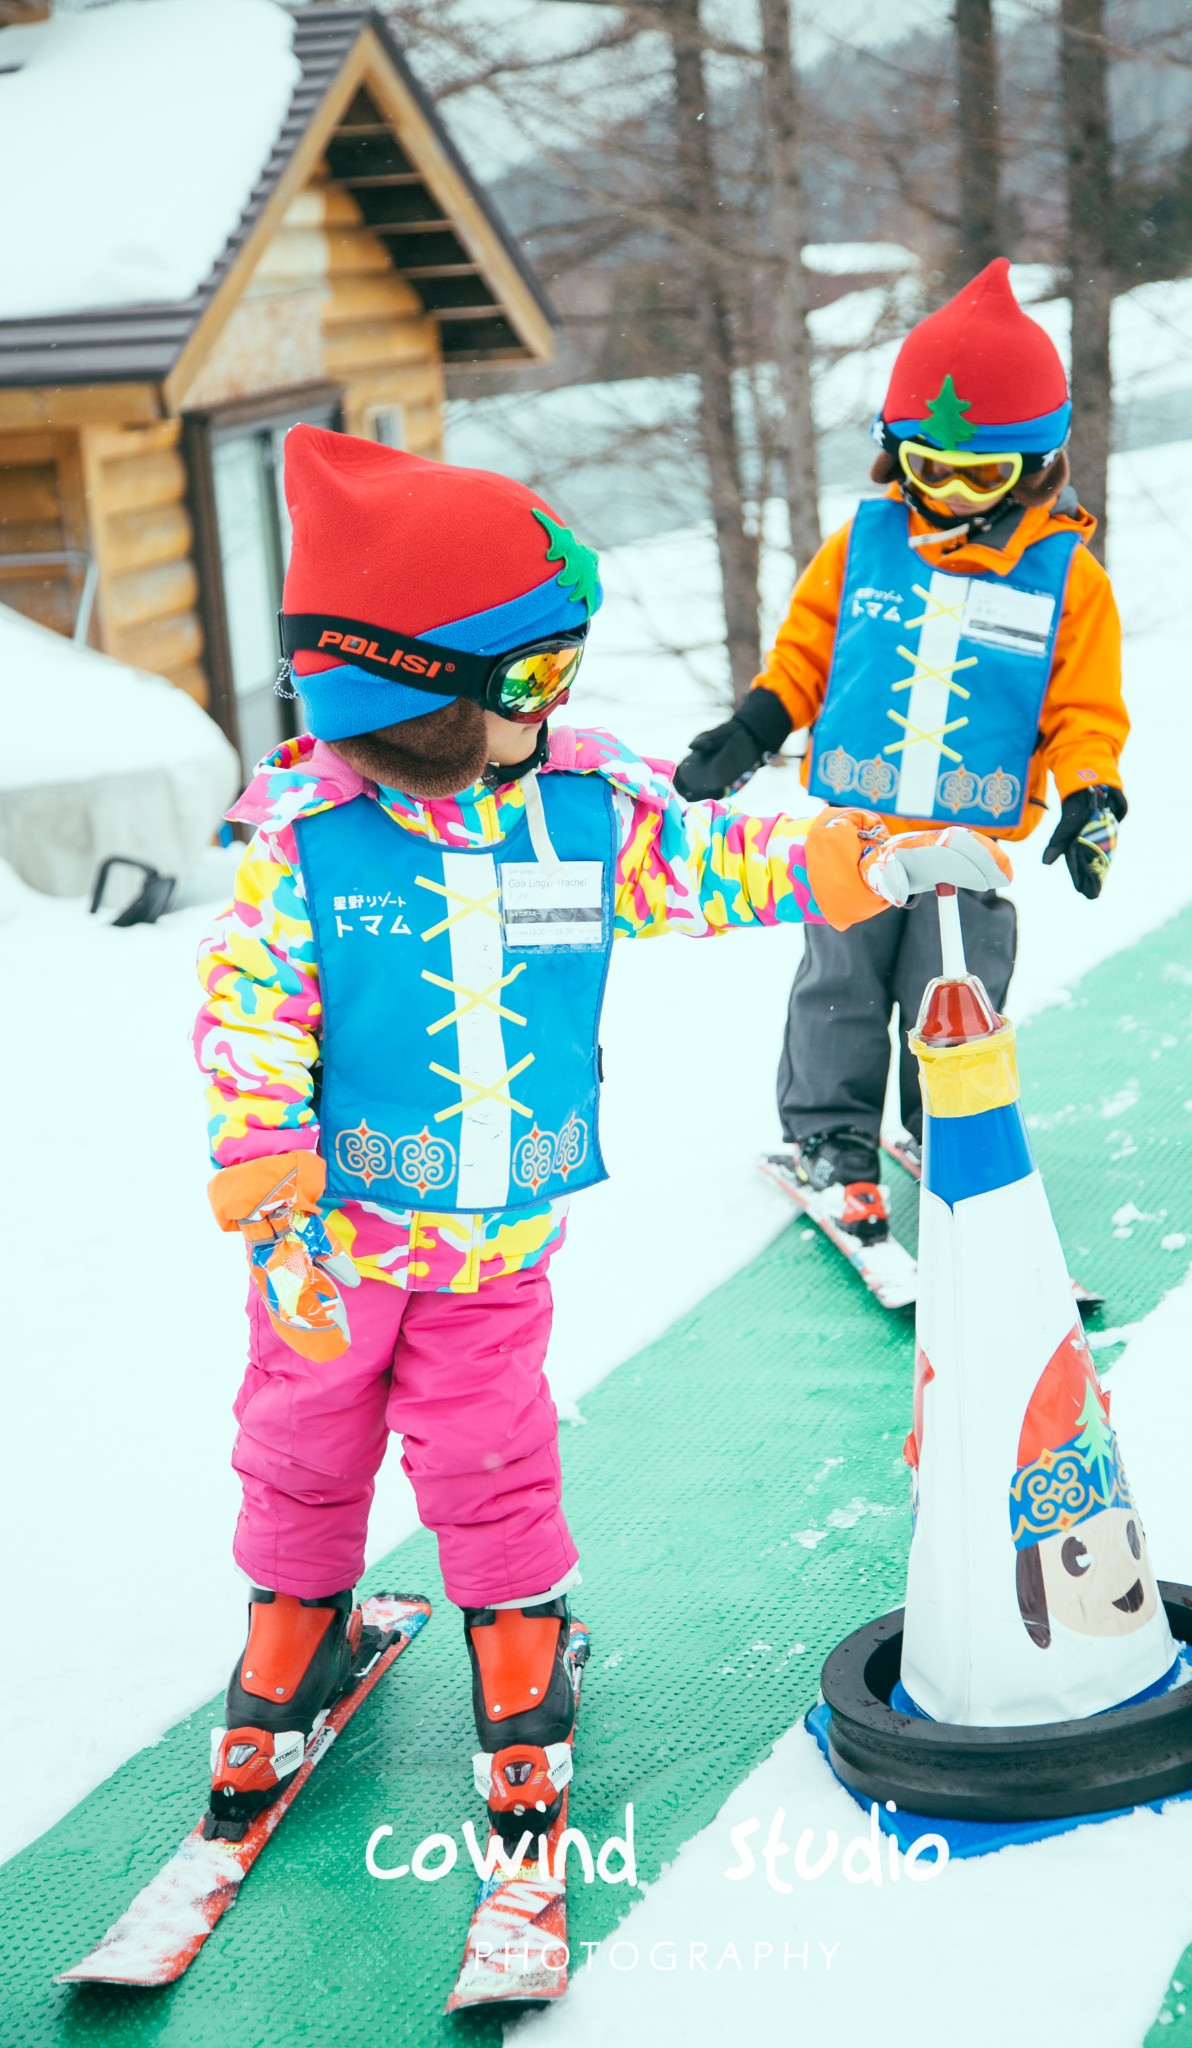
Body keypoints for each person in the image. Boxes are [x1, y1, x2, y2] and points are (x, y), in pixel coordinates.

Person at [193, 425, 955, 1846]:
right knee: (300, 1440)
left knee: (488, 1452)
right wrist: (258, 1151)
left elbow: (710, 859)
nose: (560, 702)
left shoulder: (578, 815)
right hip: (327, 1240)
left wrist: (841, 856)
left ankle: (515, 1653)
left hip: (492, 1242)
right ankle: (288, 1641)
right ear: (419, 697)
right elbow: (251, 1006)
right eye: (536, 676)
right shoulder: (305, 842)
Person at [675, 257, 1129, 1245]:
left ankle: (946, 1125)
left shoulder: (1067, 578)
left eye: (982, 475)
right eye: (931, 469)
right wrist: (753, 727)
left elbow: (1084, 712)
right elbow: (806, 654)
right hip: (855, 829)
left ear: (1036, 465)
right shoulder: (867, 542)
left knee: (956, 984)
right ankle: (833, 1137)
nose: (953, 495)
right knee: (838, 981)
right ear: (895, 455)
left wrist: (1091, 793)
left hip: (969, 842)